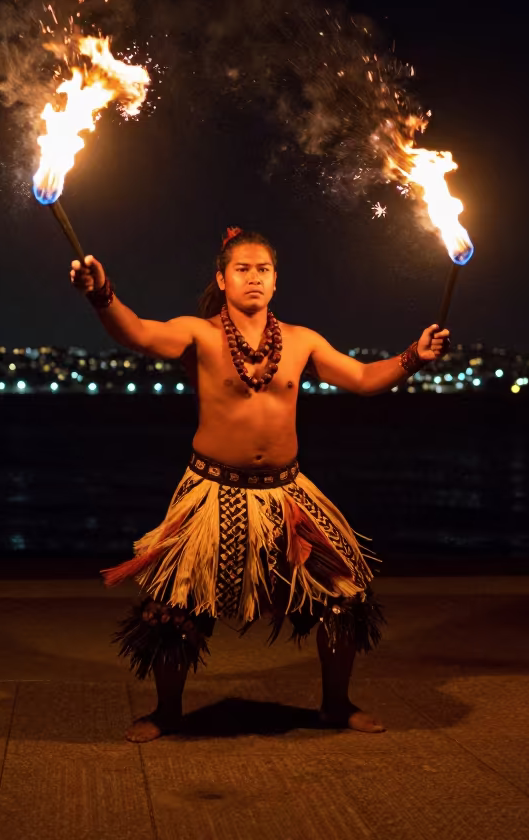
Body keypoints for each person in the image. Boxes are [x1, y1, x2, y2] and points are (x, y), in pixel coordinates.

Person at [71, 227, 450, 743]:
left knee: (344, 594)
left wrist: (413, 356)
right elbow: (137, 332)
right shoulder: (199, 333)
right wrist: (101, 293)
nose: (254, 277)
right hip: (211, 491)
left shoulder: (301, 340)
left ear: (276, 282)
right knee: (175, 605)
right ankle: (167, 712)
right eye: (243, 269)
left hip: (287, 496)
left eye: (264, 269)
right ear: (222, 280)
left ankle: (336, 706)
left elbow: (362, 379)